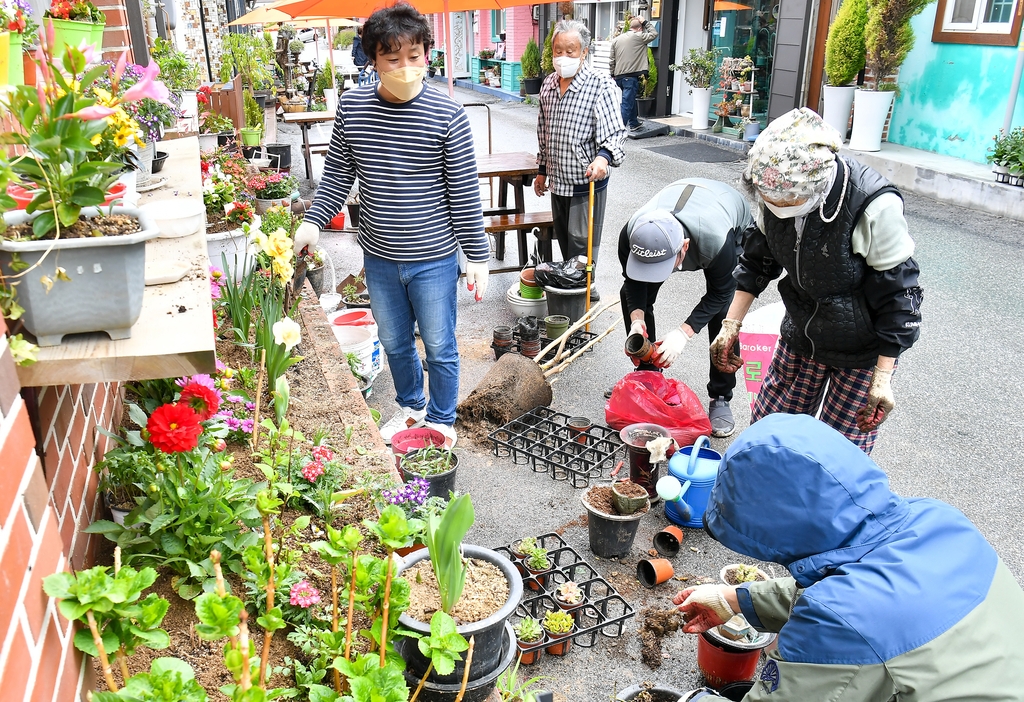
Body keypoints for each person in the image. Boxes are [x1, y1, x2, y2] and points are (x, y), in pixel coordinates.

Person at [673, 413, 1024, 702]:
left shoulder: (844, 619)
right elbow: (852, 596)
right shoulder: (938, 519)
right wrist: (733, 599)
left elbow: (847, 616)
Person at [293, 2, 489, 448]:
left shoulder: (447, 114)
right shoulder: (353, 108)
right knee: (395, 342)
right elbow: (339, 174)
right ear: (373, 60)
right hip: (379, 257)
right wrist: (313, 222)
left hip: (434, 257)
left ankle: (440, 420)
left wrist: (477, 255)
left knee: (439, 345)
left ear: (427, 54)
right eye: (392, 57)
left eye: (414, 55)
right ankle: (411, 409)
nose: (405, 66)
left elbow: (463, 191)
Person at [709, 107, 923, 454]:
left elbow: (899, 295)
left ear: (815, 186)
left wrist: (883, 377)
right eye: (769, 199)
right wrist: (730, 324)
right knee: (769, 437)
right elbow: (756, 262)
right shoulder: (771, 190)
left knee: (836, 455)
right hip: (801, 331)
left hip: (860, 348)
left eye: (786, 200)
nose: (777, 205)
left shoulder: (871, 204)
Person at [615, 178, 752, 437]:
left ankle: (721, 395)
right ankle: (648, 373)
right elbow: (632, 283)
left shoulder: (716, 241)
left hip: (725, 212)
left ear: (685, 249)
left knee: (725, 315)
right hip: (678, 200)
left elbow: (722, 293)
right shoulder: (632, 232)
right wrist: (636, 321)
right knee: (630, 295)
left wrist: (683, 333)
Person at [535, 19, 627, 303]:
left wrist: (604, 158)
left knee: (582, 245)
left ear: (584, 52)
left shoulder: (601, 85)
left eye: (571, 50)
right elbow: (544, 131)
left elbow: (614, 132)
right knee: (565, 241)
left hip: (585, 181)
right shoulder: (549, 84)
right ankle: (578, 285)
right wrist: (541, 170)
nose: (563, 56)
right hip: (558, 180)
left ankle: (586, 289)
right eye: (558, 50)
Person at [609, 15, 658, 135]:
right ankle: (618, 131)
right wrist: (645, 22)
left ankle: (634, 123)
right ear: (640, 28)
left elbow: (611, 60)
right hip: (630, 77)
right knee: (627, 104)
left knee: (629, 100)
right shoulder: (639, 36)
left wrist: (612, 73)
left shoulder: (617, 40)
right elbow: (654, 33)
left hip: (619, 77)